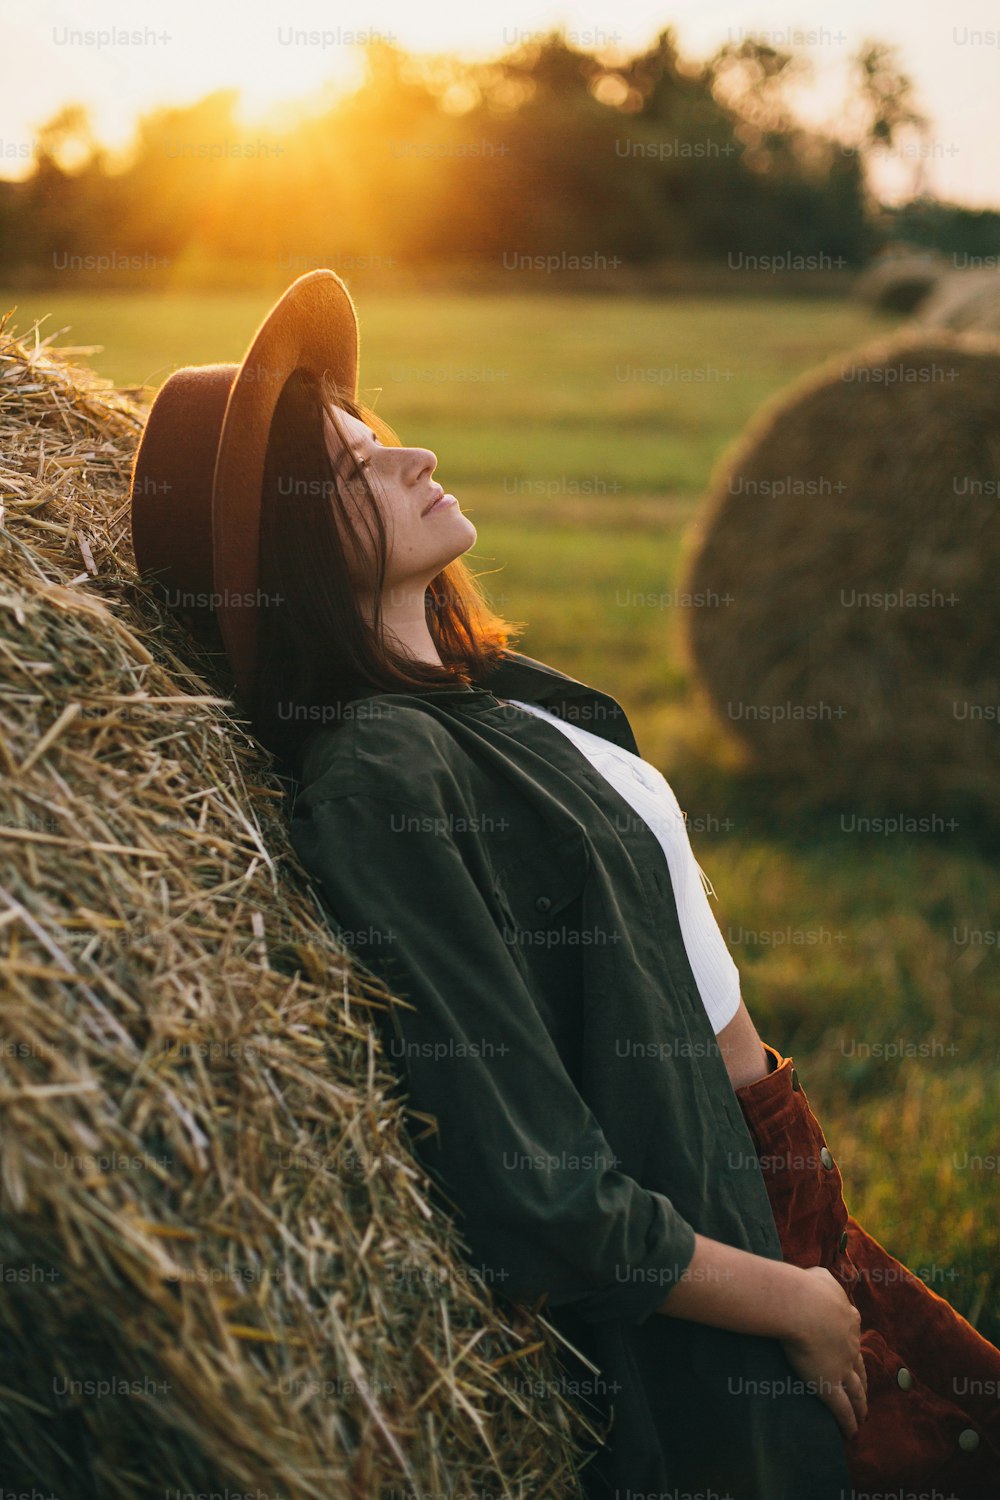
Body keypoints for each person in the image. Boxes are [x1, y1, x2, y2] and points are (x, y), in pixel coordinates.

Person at [129, 270, 1000, 1499]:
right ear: (285, 551)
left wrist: (805, 1241)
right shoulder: (380, 767)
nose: (408, 454)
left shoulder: (499, 691)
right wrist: (787, 1302)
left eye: (375, 434)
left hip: (774, 1173)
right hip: (715, 1252)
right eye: (349, 470)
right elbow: (531, 1181)